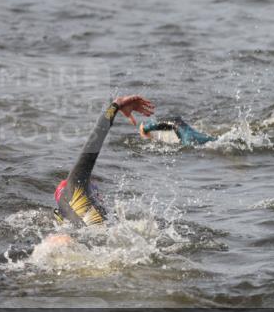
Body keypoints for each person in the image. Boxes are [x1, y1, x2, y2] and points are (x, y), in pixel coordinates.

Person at [54, 95, 155, 226]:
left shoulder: (68, 209)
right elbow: (93, 143)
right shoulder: (75, 188)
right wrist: (115, 105)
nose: (99, 196)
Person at [139, 117, 215, 146]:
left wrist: (145, 129)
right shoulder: (186, 130)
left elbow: (170, 124)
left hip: (188, 142)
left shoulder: (179, 128)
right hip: (207, 139)